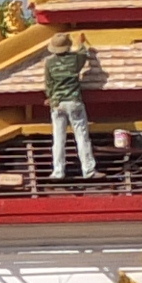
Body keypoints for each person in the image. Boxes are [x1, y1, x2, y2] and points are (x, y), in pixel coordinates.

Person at [42, 32, 102, 181]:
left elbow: (48, 85)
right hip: (73, 101)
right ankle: (88, 170)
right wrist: (80, 41)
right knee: (81, 136)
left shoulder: (49, 63)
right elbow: (83, 53)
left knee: (58, 139)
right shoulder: (74, 60)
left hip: (57, 104)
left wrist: (50, 97)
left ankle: (58, 171)